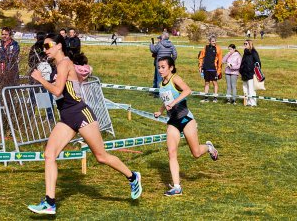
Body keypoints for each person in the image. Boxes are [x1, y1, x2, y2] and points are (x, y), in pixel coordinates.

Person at [28, 35, 142, 215]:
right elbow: (67, 88)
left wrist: (40, 79)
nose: (45, 49)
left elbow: (57, 90)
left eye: (48, 45)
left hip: (81, 113)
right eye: (43, 46)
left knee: (101, 157)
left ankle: (133, 176)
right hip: (66, 116)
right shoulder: (59, 65)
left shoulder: (64, 63)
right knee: (49, 154)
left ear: (59, 46)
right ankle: (49, 202)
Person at [154, 56, 218, 196]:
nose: (160, 70)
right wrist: (160, 110)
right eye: (159, 67)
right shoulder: (162, 83)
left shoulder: (175, 78)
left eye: (163, 67)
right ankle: (177, 187)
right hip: (173, 122)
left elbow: (188, 90)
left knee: (195, 153)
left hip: (186, 119)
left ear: (171, 67)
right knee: (171, 152)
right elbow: (167, 100)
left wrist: (174, 102)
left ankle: (209, 147)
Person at [198, 36, 223, 103]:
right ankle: (206, 98)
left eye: (215, 41)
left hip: (213, 69)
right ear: (209, 42)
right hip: (206, 68)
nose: (214, 42)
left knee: (214, 83)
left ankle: (215, 98)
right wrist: (200, 66)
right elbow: (201, 57)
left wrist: (219, 70)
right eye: (212, 41)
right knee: (206, 83)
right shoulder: (205, 47)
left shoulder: (218, 49)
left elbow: (220, 61)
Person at [239, 40, 261, 107]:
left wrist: (254, 71)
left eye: (246, 43)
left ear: (250, 44)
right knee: (245, 88)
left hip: (251, 73)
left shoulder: (253, 52)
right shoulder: (245, 53)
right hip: (244, 73)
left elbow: (258, 62)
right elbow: (242, 62)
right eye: (244, 43)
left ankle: (253, 103)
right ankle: (248, 102)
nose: (245, 45)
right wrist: (241, 70)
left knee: (251, 89)